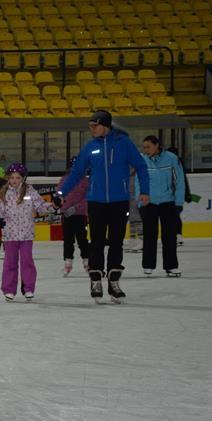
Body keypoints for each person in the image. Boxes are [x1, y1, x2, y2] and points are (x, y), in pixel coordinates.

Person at [55, 110, 149, 304]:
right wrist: (61, 193)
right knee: (96, 242)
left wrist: (145, 191)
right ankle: (96, 280)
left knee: (116, 242)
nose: (91, 129)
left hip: (119, 201)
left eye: (94, 125)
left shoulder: (124, 144)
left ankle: (114, 283)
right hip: (96, 202)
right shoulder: (90, 147)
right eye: (90, 125)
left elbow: (141, 166)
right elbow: (76, 173)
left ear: (105, 125)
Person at [0, 163, 53, 301]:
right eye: (12, 177)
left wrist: (51, 207)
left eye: (17, 178)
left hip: (26, 234)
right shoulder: (4, 192)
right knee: (10, 263)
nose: (14, 180)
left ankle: (28, 288)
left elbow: (40, 205)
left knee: (27, 262)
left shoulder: (30, 191)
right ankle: (9, 289)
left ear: (23, 178)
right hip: (10, 234)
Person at [138, 136, 185, 277]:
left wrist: (178, 203)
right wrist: (140, 202)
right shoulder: (143, 159)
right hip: (149, 203)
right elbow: (138, 182)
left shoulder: (171, 159)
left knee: (169, 237)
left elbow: (179, 181)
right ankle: (148, 266)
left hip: (168, 202)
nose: (145, 150)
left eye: (148, 147)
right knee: (149, 236)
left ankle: (171, 266)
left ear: (157, 145)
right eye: (144, 147)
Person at [56, 156, 89, 276]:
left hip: (80, 215)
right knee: (68, 240)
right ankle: (68, 263)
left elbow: (88, 198)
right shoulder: (64, 180)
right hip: (67, 215)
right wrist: (62, 208)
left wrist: (76, 208)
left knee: (82, 239)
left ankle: (87, 262)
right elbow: (59, 195)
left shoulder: (85, 181)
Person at [166, 146, 192, 246]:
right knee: (173, 216)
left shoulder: (176, 165)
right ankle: (176, 235)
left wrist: (186, 195)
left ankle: (177, 235)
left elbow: (182, 182)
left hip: (175, 197)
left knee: (174, 216)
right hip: (169, 196)